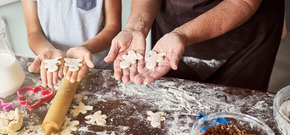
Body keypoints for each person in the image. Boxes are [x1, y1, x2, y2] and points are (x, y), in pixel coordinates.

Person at [104, 0, 285, 91]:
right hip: (174, 25)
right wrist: (136, 27)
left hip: (246, 34)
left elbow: (243, 2)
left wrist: (183, 34)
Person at [21, 0, 121, 88]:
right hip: (57, 70)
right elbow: (34, 32)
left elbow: (113, 27)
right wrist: (46, 50)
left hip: (100, 68)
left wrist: (85, 48)